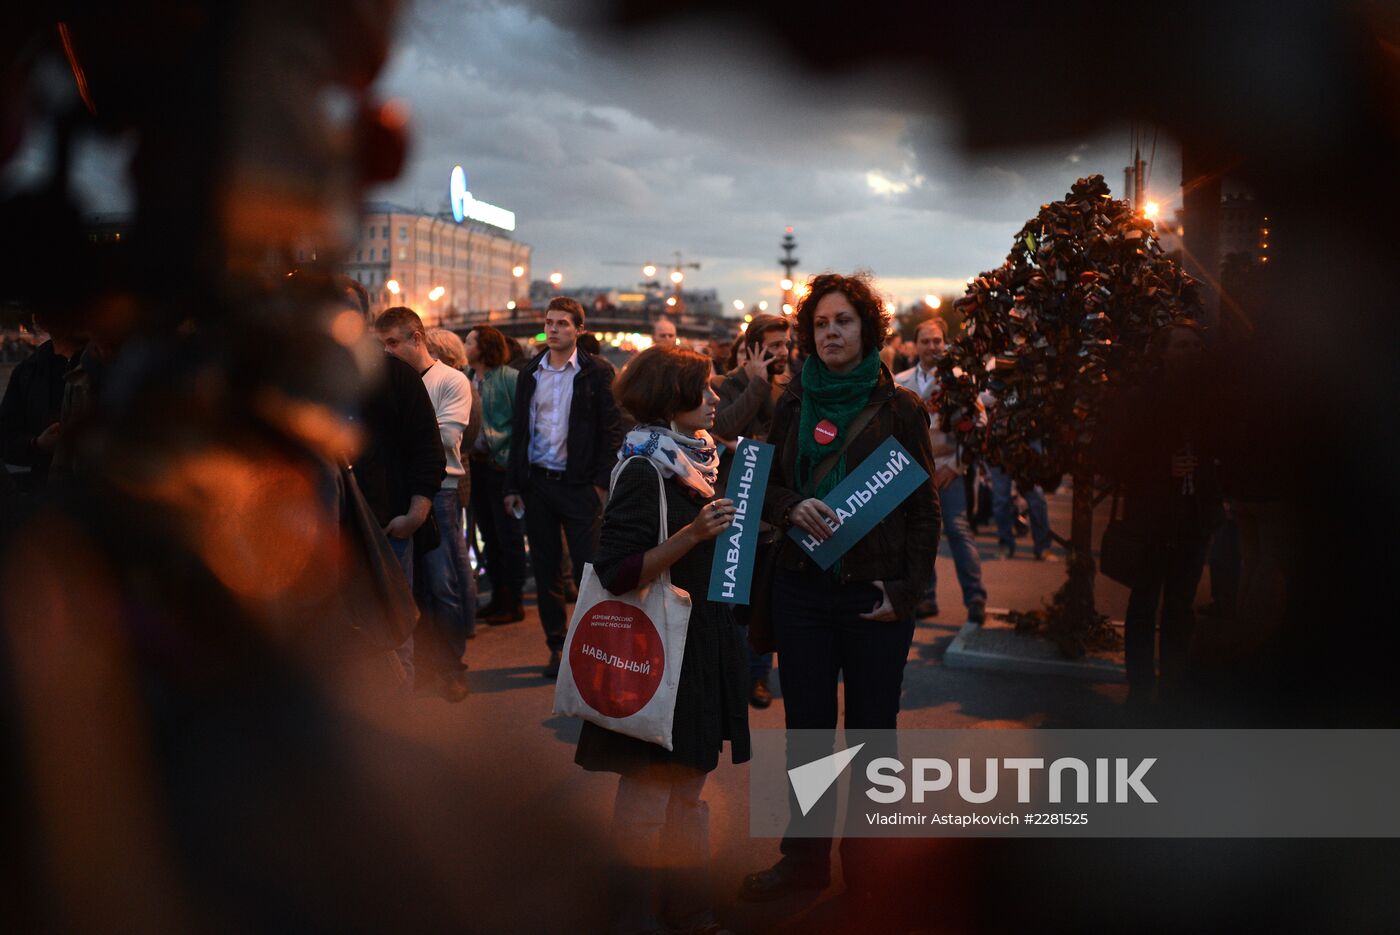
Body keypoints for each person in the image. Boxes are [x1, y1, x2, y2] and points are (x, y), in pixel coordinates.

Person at [741, 272, 939, 902]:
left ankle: (871, 871)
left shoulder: (901, 408)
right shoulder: (794, 402)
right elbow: (765, 487)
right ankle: (803, 865)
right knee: (808, 735)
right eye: (821, 323)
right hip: (802, 591)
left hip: (872, 596)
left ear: (868, 329)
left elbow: (924, 511)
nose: (830, 332)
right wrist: (790, 506)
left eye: (843, 321)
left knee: (874, 735)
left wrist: (904, 595)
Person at [575, 345, 748, 935]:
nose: (716, 400)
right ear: (673, 398)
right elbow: (616, 570)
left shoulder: (699, 460)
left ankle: (689, 910)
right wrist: (694, 535)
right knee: (648, 798)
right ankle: (633, 914)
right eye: (704, 390)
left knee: (691, 793)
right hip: (656, 650)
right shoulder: (645, 467)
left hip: (698, 644)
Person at [1101, 320, 1223, 709]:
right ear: (1165, 352)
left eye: (1195, 345)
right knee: (1143, 604)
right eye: (1182, 346)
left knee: (1180, 607)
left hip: (1194, 517)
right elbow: (1115, 458)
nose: (1190, 353)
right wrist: (1161, 467)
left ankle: (1172, 686)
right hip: (1151, 519)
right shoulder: (1143, 399)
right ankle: (1140, 687)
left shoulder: (1210, 399)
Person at [505, 297, 624, 677]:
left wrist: (600, 486)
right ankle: (556, 645)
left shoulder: (596, 372)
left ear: (579, 330)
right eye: (549, 322)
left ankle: (590, 645)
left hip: (579, 487)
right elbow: (519, 431)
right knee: (546, 569)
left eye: (562, 323)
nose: (553, 329)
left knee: (590, 570)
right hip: (538, 483)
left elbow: (612, 430)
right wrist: (513, 484)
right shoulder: (530, 372)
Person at [337, 280, 444, 688]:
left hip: (387, 526)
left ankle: (398, 722)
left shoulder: (395, 375)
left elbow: (427, 448)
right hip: (331, 532)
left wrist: (415, 514)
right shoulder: (310, 379)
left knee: (394, 627)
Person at [375, 307, 474, 701]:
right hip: (402, 489)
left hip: (443, 491)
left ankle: (451, 665)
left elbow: (445, 437)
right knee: (408, 587)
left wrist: (411, 430)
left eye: (393, 342)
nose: (386, 351)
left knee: (441, 582)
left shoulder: (450, 380)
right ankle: (417, 668)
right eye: (381, 344)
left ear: (417, 338)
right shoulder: (388, 381)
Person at [711, 313, 791, 709]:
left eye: (785, 344)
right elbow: (723, 423)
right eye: (774, 345)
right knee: (729, 599)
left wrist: (742, 443)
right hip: (733, 506)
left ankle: (759, 677)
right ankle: (727, 676)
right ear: (755, 345)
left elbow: (782, 442)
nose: (782, 351)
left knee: (764, 601)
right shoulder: (727, 384)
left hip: (771, 511)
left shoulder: (789, 388)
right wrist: (757, 382)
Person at [894, 318, 988, 622]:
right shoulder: (900, 380)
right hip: (910, 473)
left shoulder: (960, 380)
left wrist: (956, 466)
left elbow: (979, 425)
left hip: (947, 471)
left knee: (958, 532)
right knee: (916, 537)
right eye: (926, 341)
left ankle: (975, 598)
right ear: (916, 344)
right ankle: (926, 597)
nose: (932, 347)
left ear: (946, 343)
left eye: (937, 341)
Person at [424, 327, 484, 642]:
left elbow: (460, 438)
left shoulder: (455, 384)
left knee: (454, 554)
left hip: (453, 477)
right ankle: (466, 617)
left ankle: (461, 620)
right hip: (461, 474)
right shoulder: (464, 384)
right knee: (459, 550)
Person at [465, 324, 527, 624]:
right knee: (488, 534)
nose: (465, 346)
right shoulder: (466, 378)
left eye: (469, 341)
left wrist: (515, 467)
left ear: (483, 347)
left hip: (501, 466)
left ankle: (512, 602)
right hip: (475, 465)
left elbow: (522, 426)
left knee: (508, 537)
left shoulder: (510, 379)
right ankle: (498, 597)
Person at [0, 314, 86, 491]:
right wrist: (37, 444)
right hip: (45, 493)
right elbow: (6, 438)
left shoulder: (105, 363)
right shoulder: (26, 372)